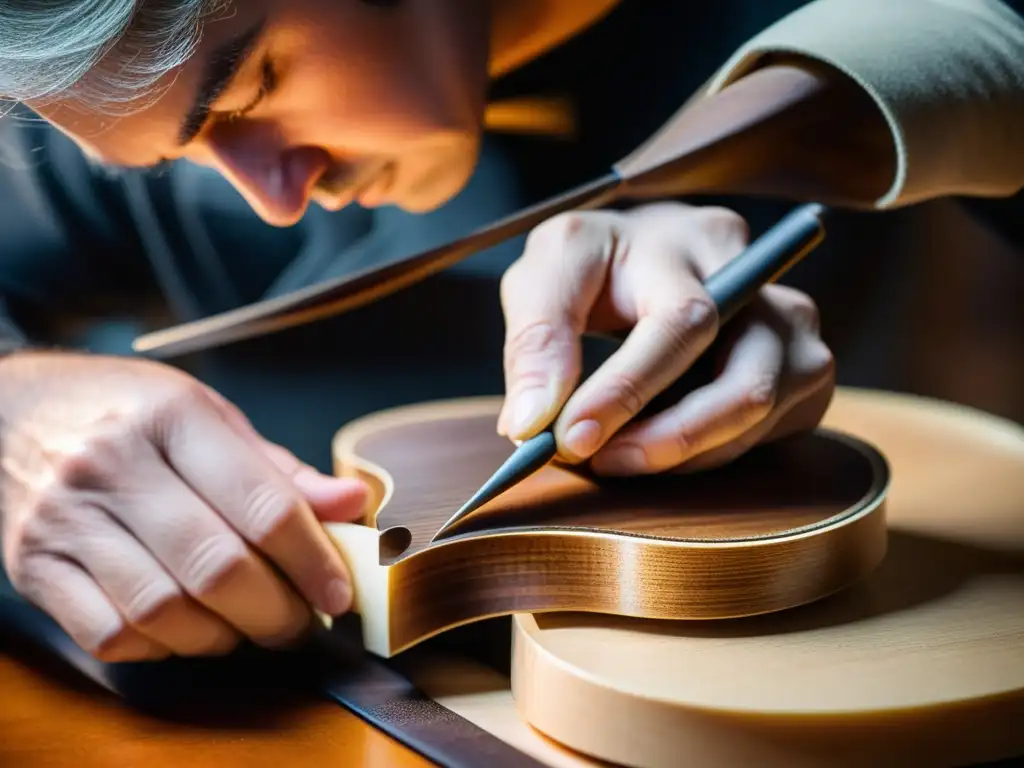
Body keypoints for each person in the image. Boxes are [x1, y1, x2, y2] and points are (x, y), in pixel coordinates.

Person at [0, 0, 1022, 667]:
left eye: (253, 85)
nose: (271, 199)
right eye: (170, 157)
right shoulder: (115, 67)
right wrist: (16, 404)